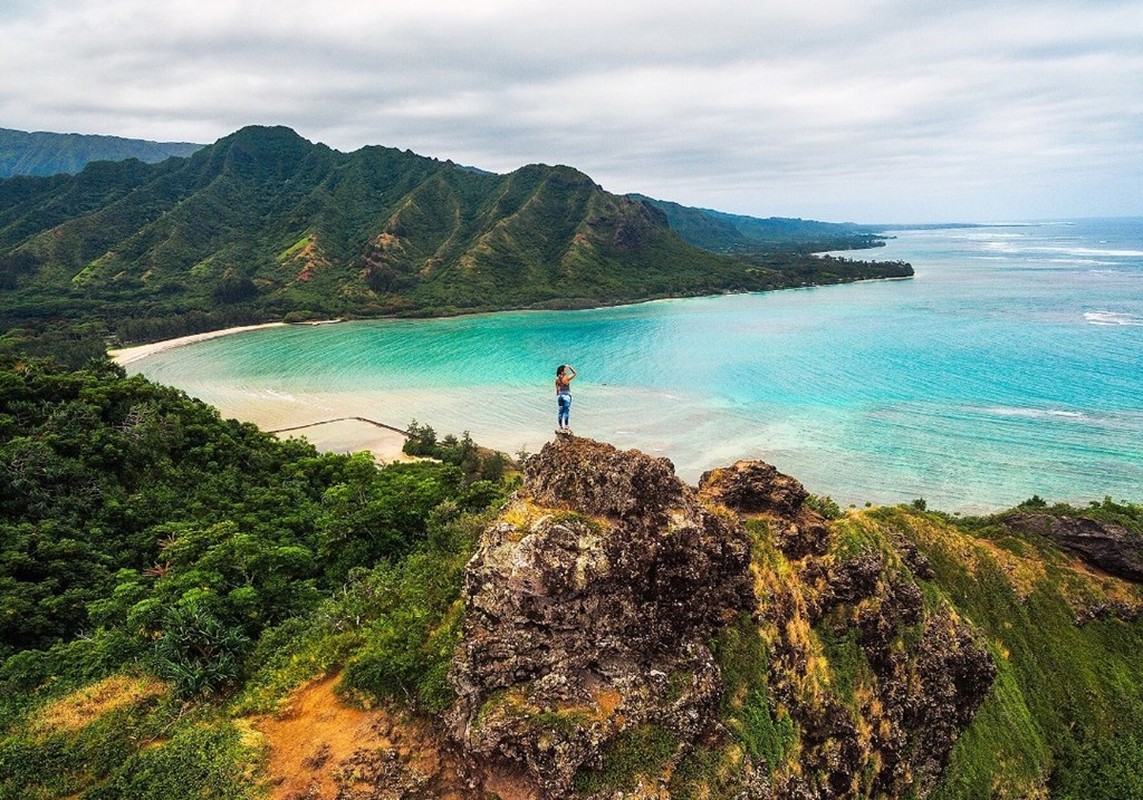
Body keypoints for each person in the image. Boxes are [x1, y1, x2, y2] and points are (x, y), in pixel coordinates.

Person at [555, 364, 576, 434]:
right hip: (567, 396)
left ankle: (560, 427)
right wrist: (570, 367)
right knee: (566, 412)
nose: (565, 371)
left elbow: (557, 390)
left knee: (560, 412)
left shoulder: (557, 379)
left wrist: (558, 396)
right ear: (561, 372)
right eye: (564, 370)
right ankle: (566, 427)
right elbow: (575, 373)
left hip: (560, 396)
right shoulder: (566, 378)